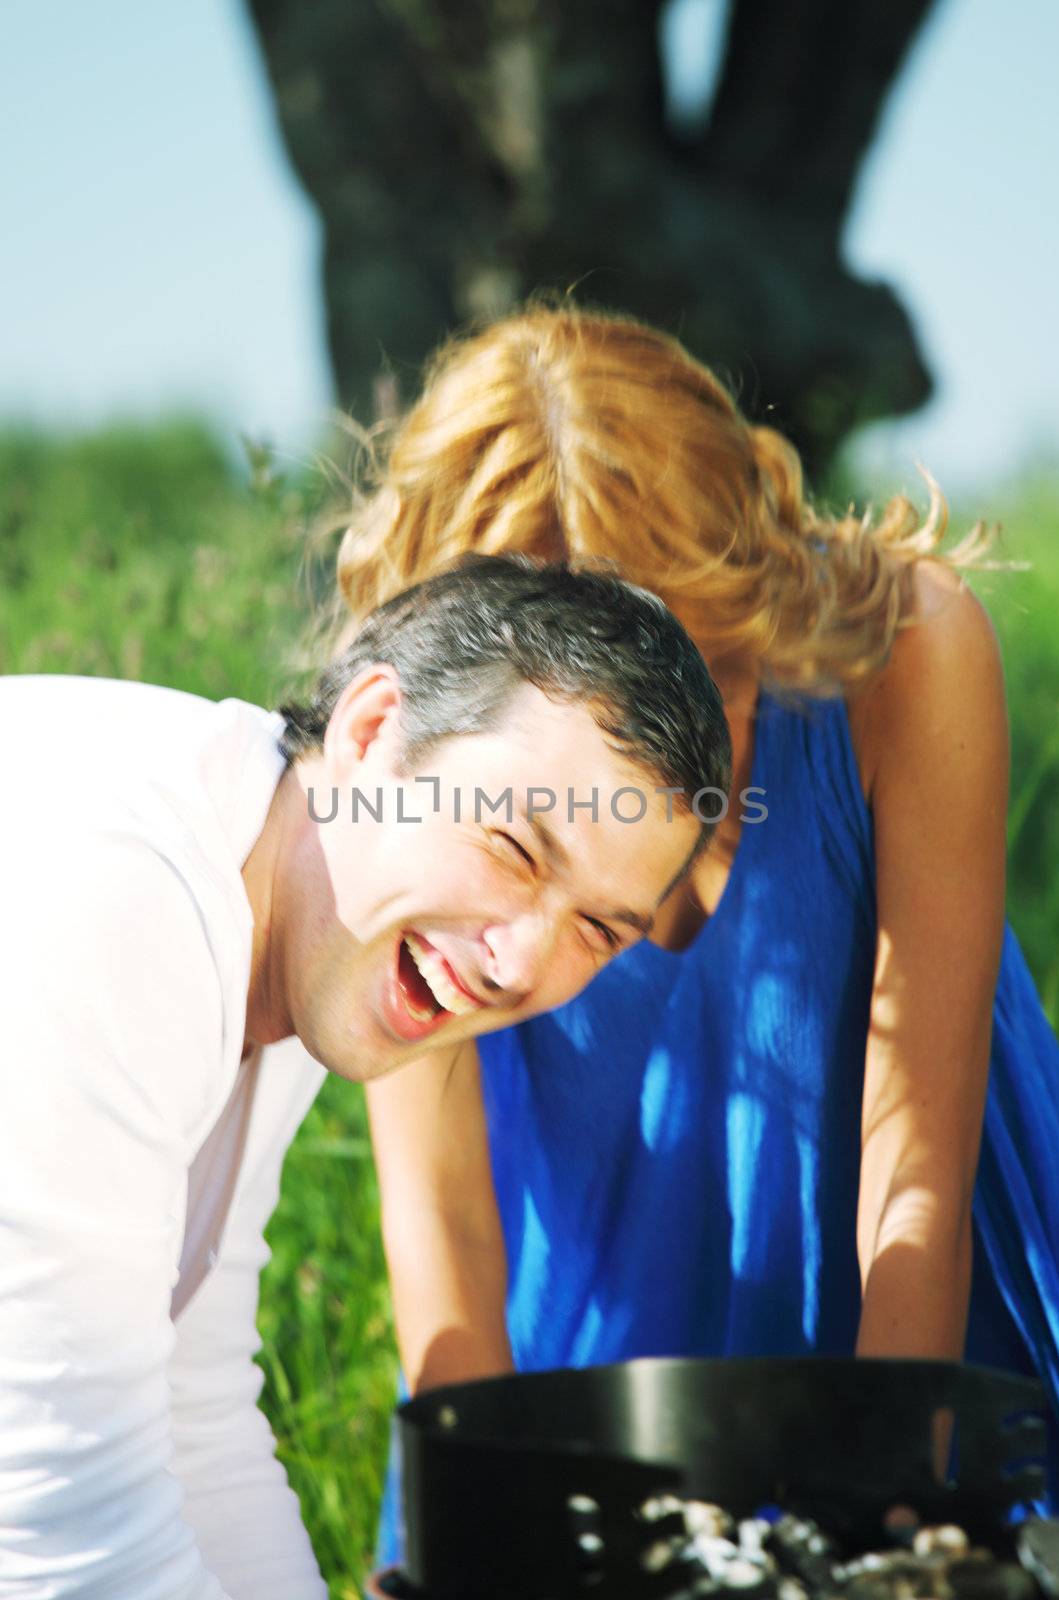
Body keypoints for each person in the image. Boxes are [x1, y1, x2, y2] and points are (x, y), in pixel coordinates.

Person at [359, 307, 1059, 1565]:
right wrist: (483, 1527)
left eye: (716, 671)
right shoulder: (411, 764)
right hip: (593, 1386)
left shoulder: (904, 654)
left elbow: (915, 1171)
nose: (679, 766)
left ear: (756, 574)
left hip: (928, 1330)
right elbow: (445, 1222)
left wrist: (879, 1516)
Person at [0, 555, 729, 1599]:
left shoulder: (291, 909)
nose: (520, 964)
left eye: (596, 929)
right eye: (515, 847)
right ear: (370, 730)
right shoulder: (122, 902)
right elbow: (66, 1539)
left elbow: (192, 1408)